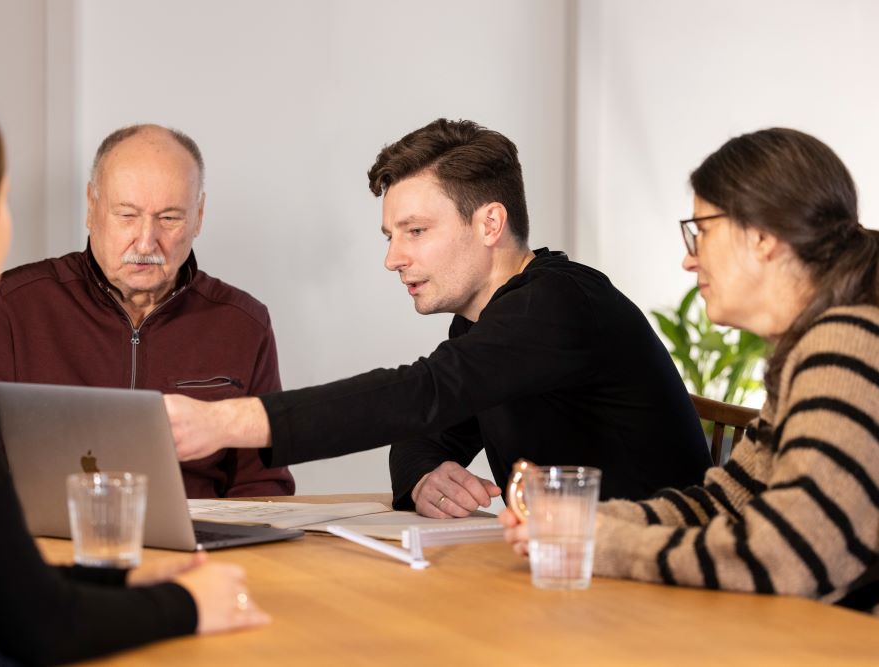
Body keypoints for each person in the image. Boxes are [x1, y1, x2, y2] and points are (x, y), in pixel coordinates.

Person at [0, 76, 268, 666]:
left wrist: (117, 590)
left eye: (167, 217)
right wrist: (187, 604)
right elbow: (38, 625)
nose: (147, 239)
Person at [164, 118, 711, 517]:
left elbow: (417, 393)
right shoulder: (484, 323)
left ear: (490, 223)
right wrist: (424, 476)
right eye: (390, 236)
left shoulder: (559, 307)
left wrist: (223, 422)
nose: (393, 257)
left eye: (416, 231)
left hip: (662, 585)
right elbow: (423, 428)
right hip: (578, 577)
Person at [501, 127, 879, 614]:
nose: (688, 258)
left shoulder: (848, 341)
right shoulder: (824, 341)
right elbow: (727, 503)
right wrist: (581, 523)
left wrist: (603, 543)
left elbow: (790, 557)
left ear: (763, 235)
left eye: (701, 231)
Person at [0, 123, 294, 499]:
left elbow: (263, 486)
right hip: (43, 548)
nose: (146, 241)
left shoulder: (243, 323)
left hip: (201, 550)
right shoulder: (13, 305)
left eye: (169, 218)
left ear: (198, 216)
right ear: (92, 207)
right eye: (127, 215)